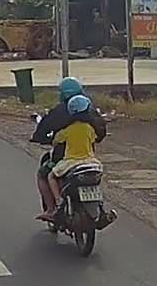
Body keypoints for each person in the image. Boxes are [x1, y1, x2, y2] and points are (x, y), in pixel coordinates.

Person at [30, 76, 106, 218]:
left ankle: (52, 208)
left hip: (65, 159)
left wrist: (40, 138)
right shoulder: (91, 113)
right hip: (89, 160)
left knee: (44, 174)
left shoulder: (59, 113)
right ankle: (100, 209)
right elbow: (100, 133)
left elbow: (45, 133)